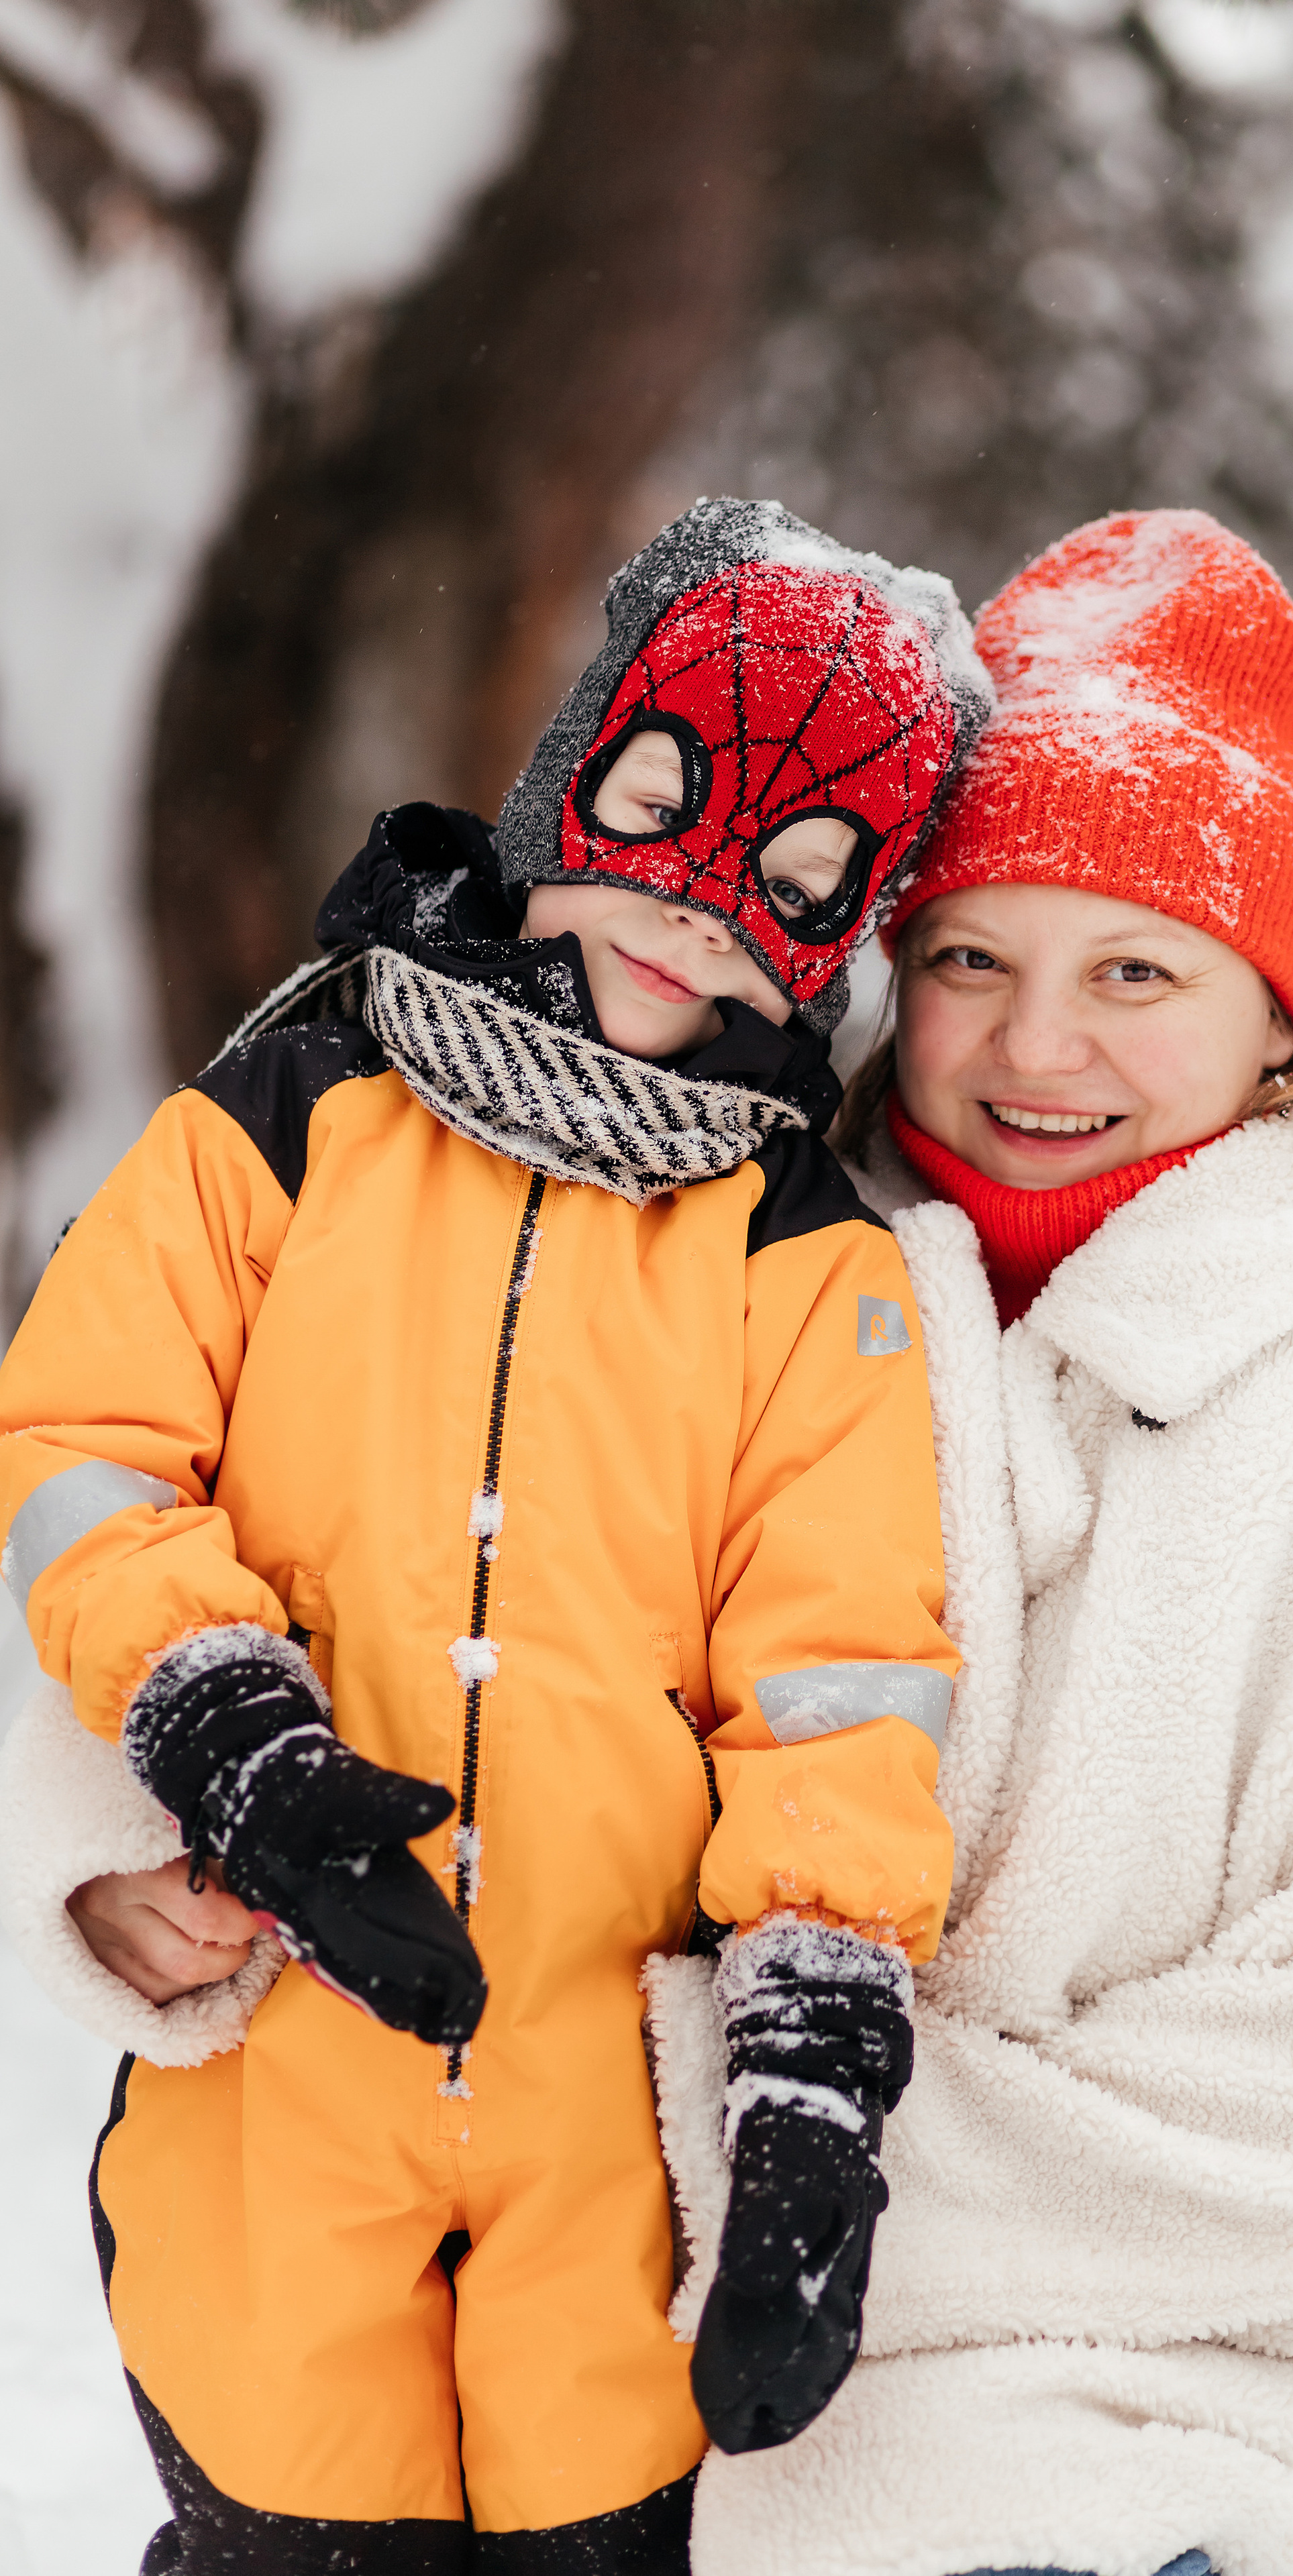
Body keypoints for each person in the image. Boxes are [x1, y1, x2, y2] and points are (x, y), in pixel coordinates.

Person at [0, 497, 993, 2571]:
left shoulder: (808, 1257)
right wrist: (228, 1743)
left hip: (605, 2106)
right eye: (669, 803)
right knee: (286, 2514)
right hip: (279, 2033)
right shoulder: (290, 1104)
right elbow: (87, 1442)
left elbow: (836, 1674)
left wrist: (809, 2076)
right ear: (575, 779)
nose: (704, 913)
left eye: (796, 883)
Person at [644, 511, 1293, 2576]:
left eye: (1133, 972)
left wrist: (716, 2139)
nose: (1035, 1048)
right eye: (969, 956)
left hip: (1160, 2395)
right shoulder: (722, 1295)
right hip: (600, 2370)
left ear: (1278, 1022)